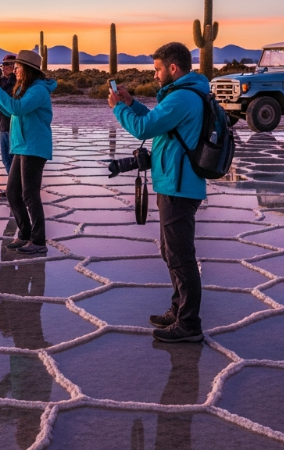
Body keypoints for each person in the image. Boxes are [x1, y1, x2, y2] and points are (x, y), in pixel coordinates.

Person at [108, 42, 209, 343]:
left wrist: (118, 109)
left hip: (179, 186)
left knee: (180, 256)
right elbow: (159, 121)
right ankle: (178, 311)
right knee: (171, 252)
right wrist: (132, 103)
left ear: (172, 69)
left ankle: (189, 324)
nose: (154, 76)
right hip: (174, 183)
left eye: (157, 70)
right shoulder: (185, 94)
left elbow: (143, 128)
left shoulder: (182, 98)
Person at [0, 50, 57, 255]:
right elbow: (11, 111)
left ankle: (38, 240)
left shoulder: (38, 90)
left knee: (29, 194)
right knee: (12, 192)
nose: (14, 70)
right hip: (21, 146)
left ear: (27, 69)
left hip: (34, 147)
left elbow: (18, 109)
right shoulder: (25, 88)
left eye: (17, 67)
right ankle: (25, 233)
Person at [0, 54, 18, 197]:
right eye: (4, 64)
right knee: (6, 158)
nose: (6, 67)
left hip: (12, 124)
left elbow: (5, 98)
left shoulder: (17, 82)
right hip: (3, 123)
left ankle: (15, 188)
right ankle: (13, 186)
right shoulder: (1, 81)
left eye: (10, 64)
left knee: (13, 158)